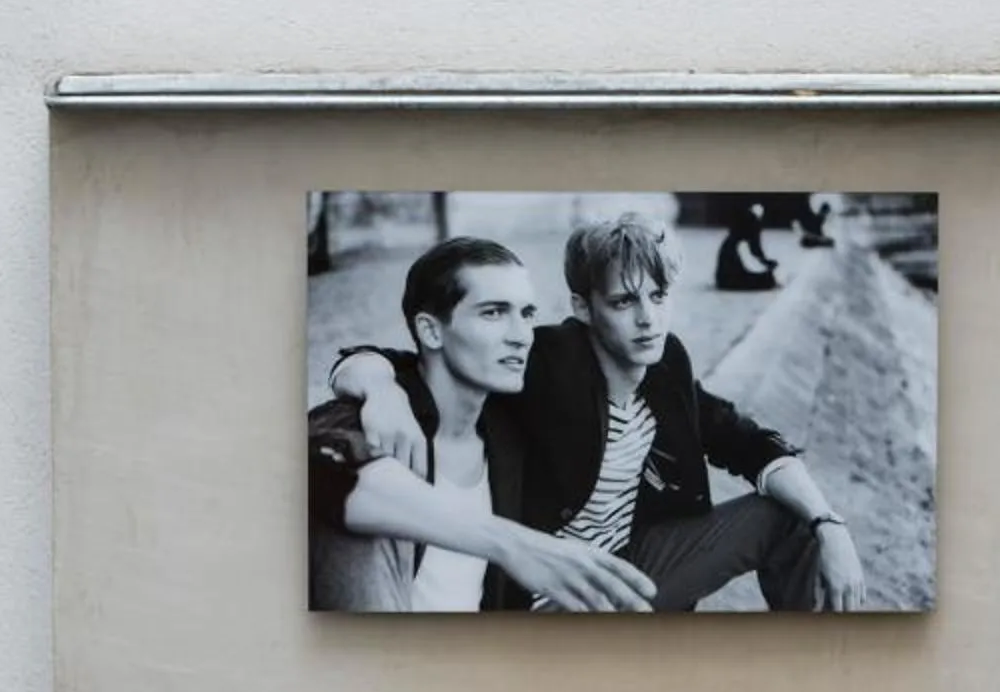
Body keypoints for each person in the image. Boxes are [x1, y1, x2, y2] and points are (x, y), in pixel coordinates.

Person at [331, 214, 865, 613]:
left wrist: (829, 523)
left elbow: (745, 440)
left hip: (631, 567)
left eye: (658, 296)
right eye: (624, 301)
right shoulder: (543, 360)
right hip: (548, 593)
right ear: (584, 307)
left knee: (788, 516)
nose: (647, 319)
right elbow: (413, 360)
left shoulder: (665, 362)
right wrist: (377, 384)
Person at [306, 236, 655, 613]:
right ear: (431, 331)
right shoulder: (383, 416)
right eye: (493, 313)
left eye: (526, 314)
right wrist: (514, 544)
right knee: (355, 525)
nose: (521, 337)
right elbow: (315, 466)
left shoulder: (510, 418)